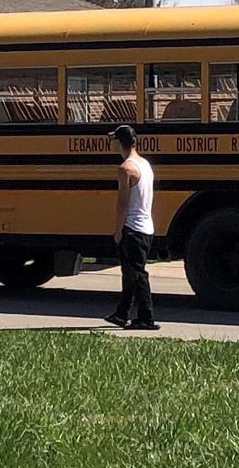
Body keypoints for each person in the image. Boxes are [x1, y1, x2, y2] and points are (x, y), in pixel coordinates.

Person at [103, 125, 159, 331]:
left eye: (114, 141)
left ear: (120, 143)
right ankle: (122, 313)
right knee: (129, 273)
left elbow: (122, 203)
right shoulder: (145, 164)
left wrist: (118, 230)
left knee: (136, 274)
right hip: (146, 226)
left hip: (132, 227)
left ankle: (147, 317)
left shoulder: (125, 168)